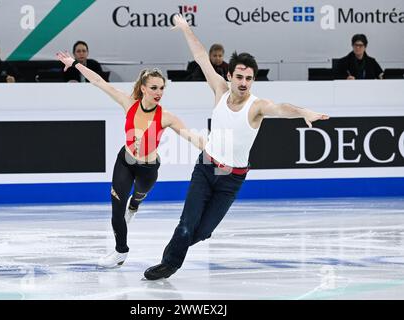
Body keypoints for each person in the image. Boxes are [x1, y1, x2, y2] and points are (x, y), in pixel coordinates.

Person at [144, 15, 330, 280]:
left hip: (232, 179)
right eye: (240, 76)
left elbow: (280, 108)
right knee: (186, 225)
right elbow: (200, 57)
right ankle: (169, 264)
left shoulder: (256, 107)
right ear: (229, 75)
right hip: (206, 167)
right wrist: (186, 28)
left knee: (203, 232)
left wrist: (303, 112)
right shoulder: (220, 90)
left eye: (249, 78)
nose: (244, 83)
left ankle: (175, 251)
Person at [56, 51, 206, 268]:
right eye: (154, 88)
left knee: (136, 198)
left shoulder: (166, 117)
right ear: (143, 88)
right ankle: (120, 252)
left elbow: (191, 136)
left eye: (162, 88)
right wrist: (74, 64)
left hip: (148, 169)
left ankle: (134, 206)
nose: (158, 92)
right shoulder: (129, 104)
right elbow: (98, 81)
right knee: (116, 211)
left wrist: (213, 149)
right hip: (125, 162)